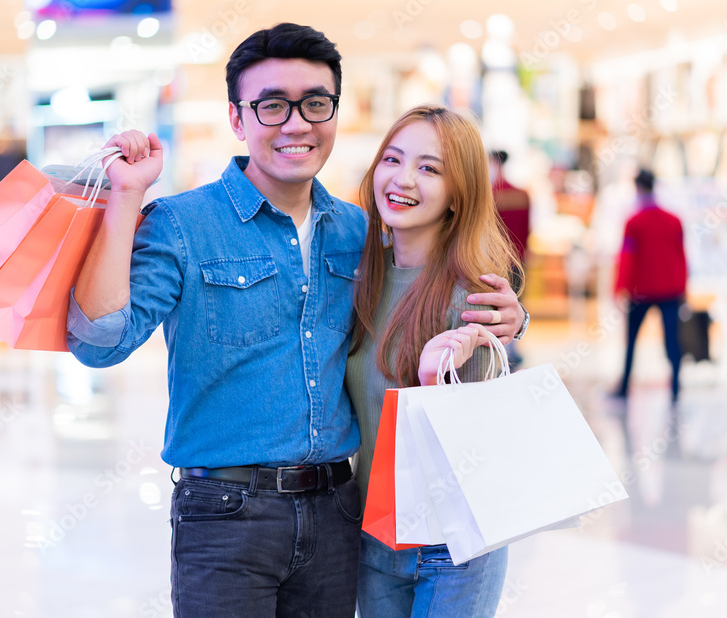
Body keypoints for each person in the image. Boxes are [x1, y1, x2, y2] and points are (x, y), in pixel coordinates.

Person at [64, 23, 526, 617]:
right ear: (238, 119)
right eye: (272, 105)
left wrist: (513, 317)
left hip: (338, 513)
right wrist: (125, 199)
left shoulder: (359, 234)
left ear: (334, 113)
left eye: (315, 103)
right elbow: (100, 343)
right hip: (226, 515)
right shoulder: (182, 224)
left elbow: (435, 281)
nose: (296, 123)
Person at [346, 106, 526, 618]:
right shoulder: (358, 277)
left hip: (455, 544)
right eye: (393, 159)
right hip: (376, 531)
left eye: (429, 168)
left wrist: (438, 383)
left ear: (458, 194)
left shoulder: (473, 293)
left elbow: (481, 425)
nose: (403, 179)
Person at [612, 168, 687, 403]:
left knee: (632, 340)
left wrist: (620, 288)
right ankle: (676, 386)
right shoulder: (673, 220)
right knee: (672, 340)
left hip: (640, 290)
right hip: (670, 289)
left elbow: (627, 258)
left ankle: (624, 387)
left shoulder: (634, 221)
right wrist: (684, 286)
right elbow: (681, 256)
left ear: (638, 188)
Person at [488, 149, 531, 367]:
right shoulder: (522, 194)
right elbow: (527, 231)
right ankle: (513, 347)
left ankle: (501, 352)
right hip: (518, 259)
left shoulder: (490, 195)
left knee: (496, 307)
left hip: (494, 261)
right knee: (515, 302)